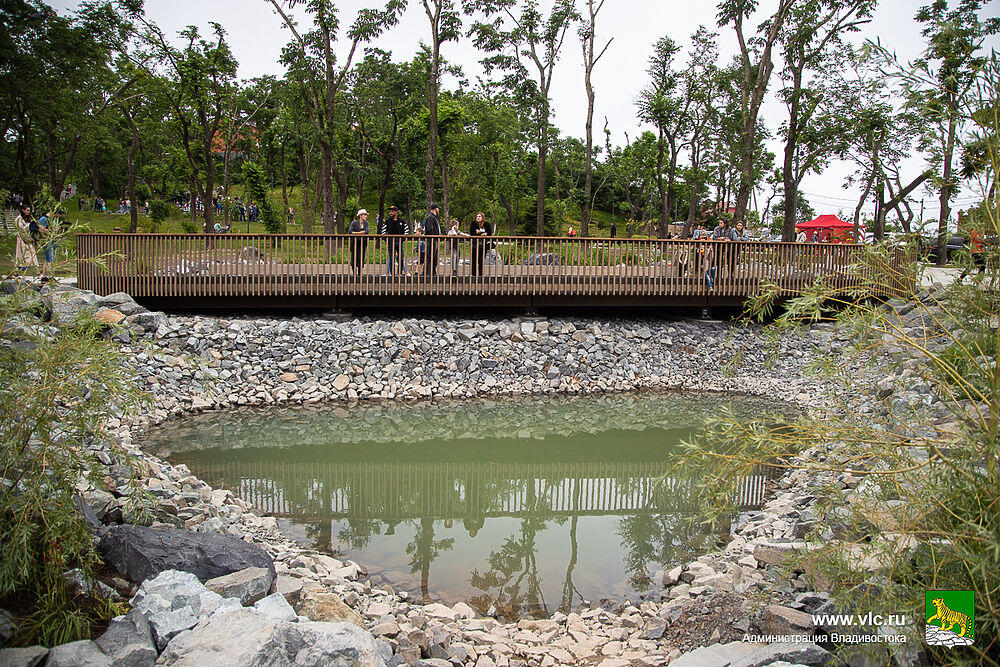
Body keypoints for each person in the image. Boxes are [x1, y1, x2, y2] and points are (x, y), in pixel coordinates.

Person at [14, 203, 39, 279]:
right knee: (21, 257)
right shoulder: (19, 219)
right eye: (27, 210)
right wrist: (29, 226)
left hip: (28, 239)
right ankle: (16, 273)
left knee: (33, 256)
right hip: (22, 240)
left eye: (29, 210)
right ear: (23, 210)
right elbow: (21, 229)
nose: (29, 212)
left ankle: (37, 273)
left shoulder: (28, 218)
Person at [383, 205, 408, 275]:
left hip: (399, 242)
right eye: (390, 211)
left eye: (392, 211)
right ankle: (392, 273)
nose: (391, 213)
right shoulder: (387, 221)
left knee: (401, 258)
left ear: (396, 212)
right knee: (391, 258)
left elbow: (406, 231)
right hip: (391, 242)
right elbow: (383, 232)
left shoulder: (402, 221)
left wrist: (402, 239)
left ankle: (399, 273)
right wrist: (387, 240)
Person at [38, 209, 60, 282]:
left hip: (52, 241)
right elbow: (41, 230)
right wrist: (51, 230)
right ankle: (50, 276)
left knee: (49, 258)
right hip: (47, 241)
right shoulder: (44, 219)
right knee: (49, 259)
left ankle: (44, 275)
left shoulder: (52, 219)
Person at [470, 212, 493, 277]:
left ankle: (481, 274)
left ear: (483, 217)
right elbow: (472, 233)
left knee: (481, 260)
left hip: (483, 245)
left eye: (480, 216)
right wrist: (481, 234)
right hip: (475, 245)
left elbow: (489, 233)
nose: (478, 217)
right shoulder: (473, 224)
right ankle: (473, 274)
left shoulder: (486, 224)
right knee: (474, 260)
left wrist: (483, 233)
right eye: (477, 216)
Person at [422, 203, 442, 276]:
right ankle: (427, 272)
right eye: (438, 208)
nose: (438, 210)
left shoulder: (433, 217)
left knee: (434, 257)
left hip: (434, 240)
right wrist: (435, 236)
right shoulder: (430, 217)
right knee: (430, 256)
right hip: (432, 240)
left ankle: (432, 272)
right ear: (436, 209)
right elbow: (429, 229)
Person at [348, 209, 369, 275]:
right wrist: (360, 233)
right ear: (360, 216)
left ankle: (360, 272)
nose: (366, 216)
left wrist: (356, 233)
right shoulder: (354, 222)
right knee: (354, 256)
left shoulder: (366, 223)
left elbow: (366, 231)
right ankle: (354, 272)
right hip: (354, 242)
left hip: (363, 243)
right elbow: (350, 231)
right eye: (365, 215)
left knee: (361, 257)